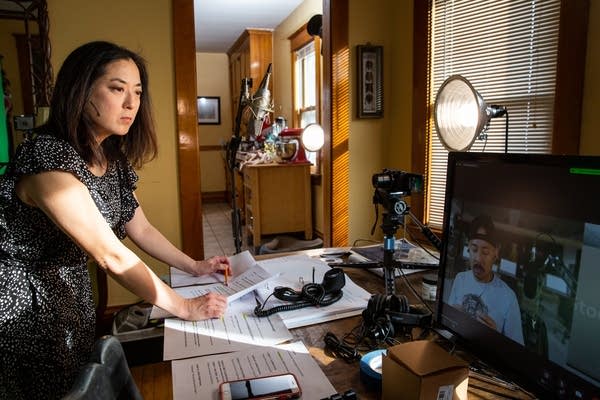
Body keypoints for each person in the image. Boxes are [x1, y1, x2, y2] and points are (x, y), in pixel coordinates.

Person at [0, 41, 231, 399]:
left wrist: (195, 266)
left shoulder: (112, 158)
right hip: (24, 302)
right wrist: (184, 307)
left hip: (70, 294)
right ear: (81, 90)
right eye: (117, 88)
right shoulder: (47, 155)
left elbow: (141, 227)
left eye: (137, 92)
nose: (131, 103)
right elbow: (110, 255)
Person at [448, 214, 524, 345]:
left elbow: (517, 352)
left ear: (496, 253)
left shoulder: (509, 298)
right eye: (474, 249)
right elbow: (447, 325)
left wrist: (494, 338)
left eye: (485, 252)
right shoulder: (460, 279)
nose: (478, 258)